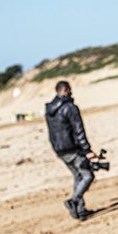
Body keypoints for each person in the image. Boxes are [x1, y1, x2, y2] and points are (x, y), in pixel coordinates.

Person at [46, 81, 98, 220]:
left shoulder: (50, 109)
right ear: (66, 90)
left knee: (78, 177)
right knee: (88, 176)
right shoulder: (70, 108)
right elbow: (79, 131)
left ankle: (80, 211)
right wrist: (87, 150)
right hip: (73, 149)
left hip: (60, 150)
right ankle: (74, 201)